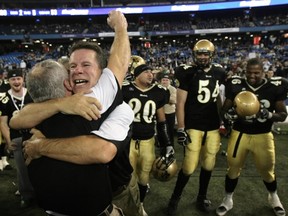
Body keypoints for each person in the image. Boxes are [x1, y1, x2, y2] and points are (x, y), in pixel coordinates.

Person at [11, 11, 143, 216]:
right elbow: (16, 119)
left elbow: (101, 151)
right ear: (66, 79)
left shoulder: (110, 101)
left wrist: (41, 146)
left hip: (120, 189)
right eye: (72, 66)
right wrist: (62, 104)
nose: (77, 70)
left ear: (102, 72)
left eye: (86, 65)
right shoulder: (52, 102)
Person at [216, 58, 287, 216]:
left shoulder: (274, 86)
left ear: (264, 72)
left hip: (263, 134)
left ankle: (274, 197)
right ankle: (228, 199)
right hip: (240, 133)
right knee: (233, 167)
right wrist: (229, 115)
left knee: (267, 169)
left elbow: (282, 115)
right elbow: (224, 111)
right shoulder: (236, 84)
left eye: (256, 73)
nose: (252, 76)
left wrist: (268, 114)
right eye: (249, 72)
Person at [166, 39, 227, 215]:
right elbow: (180, 102)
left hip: (213, 126)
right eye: (199, 53)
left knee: (209, 164)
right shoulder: (186, 72)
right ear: (194, 54)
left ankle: (202, 197)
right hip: (194, 125)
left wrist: (222, 117)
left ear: (211, 55)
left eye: (205, 53)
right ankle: (174, 199)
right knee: (189, 166)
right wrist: (181, 128)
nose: (201, 57)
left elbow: (217, 98)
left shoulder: (219, 71)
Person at [122, 63, 175, 216]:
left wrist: (167, 143)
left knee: (144, 176)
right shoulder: (125, 89)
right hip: (128, 141)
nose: (150, 74)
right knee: (127, 176)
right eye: (146, 71)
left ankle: (140, 205)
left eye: (151, 71)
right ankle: (127, 205)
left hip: (148, 140)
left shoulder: (158, 92)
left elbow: (161, 120)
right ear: (137, 75)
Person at [0, 69, 34, 208]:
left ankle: (40, 191)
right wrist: (9, 141)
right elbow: (3, 122)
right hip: (16, 137)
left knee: (38, 165)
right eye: (13, 79)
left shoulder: (31, 95)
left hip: (33, 136)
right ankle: (26, 195)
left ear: (23, 79)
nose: (16, 82)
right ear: (8, 81)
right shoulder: (4, 99)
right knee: (21, 168)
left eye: (18, 78)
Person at [159, 73, 177, 147]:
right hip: (160, 113)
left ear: (169, 81)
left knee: (170, 131)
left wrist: (162, 98)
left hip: (170, 113)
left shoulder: (173, 89)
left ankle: (171, 147)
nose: (165, 81)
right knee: (160, 131)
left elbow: (173, 101)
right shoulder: (158, 88)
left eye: (166, 80)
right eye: (163, 80)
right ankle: (162, 147)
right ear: (161, 81)